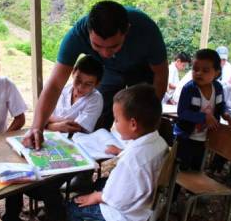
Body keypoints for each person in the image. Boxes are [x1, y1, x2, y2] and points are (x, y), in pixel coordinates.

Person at [23, 0, 168, 149]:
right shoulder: (76, 36)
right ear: (88, 31)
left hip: (142, 70)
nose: (105, 53)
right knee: (100, 118)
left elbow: (161, 75)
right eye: (97, 46)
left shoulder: (147, 30)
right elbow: (55, 84)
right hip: (109, 70)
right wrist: (37, 127)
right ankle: (92, 163)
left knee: (140, 120)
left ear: (127, 30)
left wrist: (150, 116)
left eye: (114, 46)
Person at [66, 83, 167, 221]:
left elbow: (117, 199)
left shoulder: (131, 160)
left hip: (124, 215)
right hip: (144, 207)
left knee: (72, 207)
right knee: (100, 182)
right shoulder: (159, 142)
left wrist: (96, 196)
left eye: (117, 120)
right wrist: (121, 151)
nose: (115, 123)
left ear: (133, 124)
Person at [173, 48, 231, 177]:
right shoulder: (189, 89)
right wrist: (203, 117)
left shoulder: (217, 88)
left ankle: (192, 194)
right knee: (180, 167)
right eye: (195, 69)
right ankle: (174, 194)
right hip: (186, 136)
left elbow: (221, 104)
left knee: (197, 167)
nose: (199, 73)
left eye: (205, 70)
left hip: (205, 138)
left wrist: (225, 114)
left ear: (216, 73)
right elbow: (182, 112)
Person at [46, 55, 104, 133]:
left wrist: (49, 123)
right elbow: (43, 115)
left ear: (97, 84)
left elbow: (76, 127)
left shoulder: (95, 99)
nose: (80, 87)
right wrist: (58, 126)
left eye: (88, 84)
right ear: (73, 72)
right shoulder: (62, 90)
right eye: (78, 80)